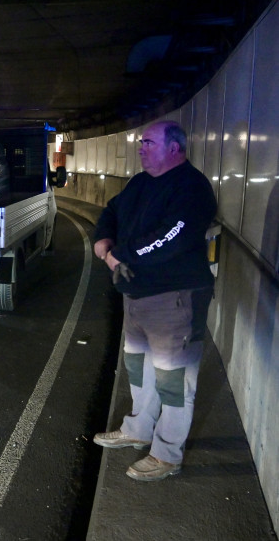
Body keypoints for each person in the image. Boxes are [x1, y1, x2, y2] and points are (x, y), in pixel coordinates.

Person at [92, 120, 217, 481]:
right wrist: (103, 240)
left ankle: (167, 454)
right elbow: (112, 211)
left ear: (174, 148)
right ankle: (138, 430)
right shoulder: (140, 182)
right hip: (136, 297)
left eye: (148, 142)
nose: (140, 147)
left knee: (174, 381)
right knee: (140, 371)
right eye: (141, 142)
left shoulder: (192, 188)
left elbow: (169, 237)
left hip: (174, 299)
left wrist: (120, 257)